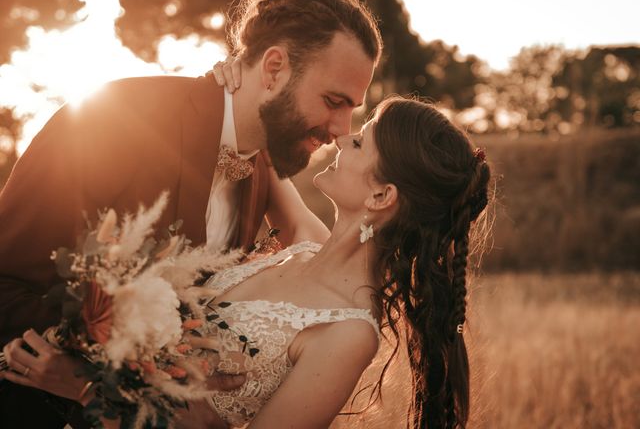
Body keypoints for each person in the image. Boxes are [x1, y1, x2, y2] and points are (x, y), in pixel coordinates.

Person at [0, 0, 382, 427]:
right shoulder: (113, 118)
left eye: (353, 109)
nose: (342, 130)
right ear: (275, 68)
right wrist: (94, 370)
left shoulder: (263, 173)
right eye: (333, 101)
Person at [3, 96, 492, 429]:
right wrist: (237, 85)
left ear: (382, 195)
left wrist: (86, 388)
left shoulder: (347, 332)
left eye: (360, 141)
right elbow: (252, 140)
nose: (341, 139)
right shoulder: (304, 242)